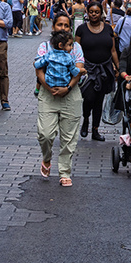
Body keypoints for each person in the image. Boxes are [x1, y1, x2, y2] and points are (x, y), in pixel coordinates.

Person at [35, 28, 84, 185]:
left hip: (70, 95)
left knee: (69, 136)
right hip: (49, 94)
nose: (63, 27)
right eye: (59, 25)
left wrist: (67, 88)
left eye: (66, 25)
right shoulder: (46, 48)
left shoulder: (75, 48)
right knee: (45, 134)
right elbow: (38, 68)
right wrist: (49, 88)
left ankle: (65, 172)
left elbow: (76, 70)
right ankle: (47, 158)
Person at [75, 1, 119, 141]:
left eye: (97, 12)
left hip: (104, 69)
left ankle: (95, 130)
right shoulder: (81, 29)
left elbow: (112, 50)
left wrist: (118, 67)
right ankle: (86, 119)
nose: (94, 14)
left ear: (101, 13)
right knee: (89, 98)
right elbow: (76, 49)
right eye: (91, 12)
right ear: (87, 12)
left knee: (99, 100)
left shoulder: (107, 29)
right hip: (87, 69)